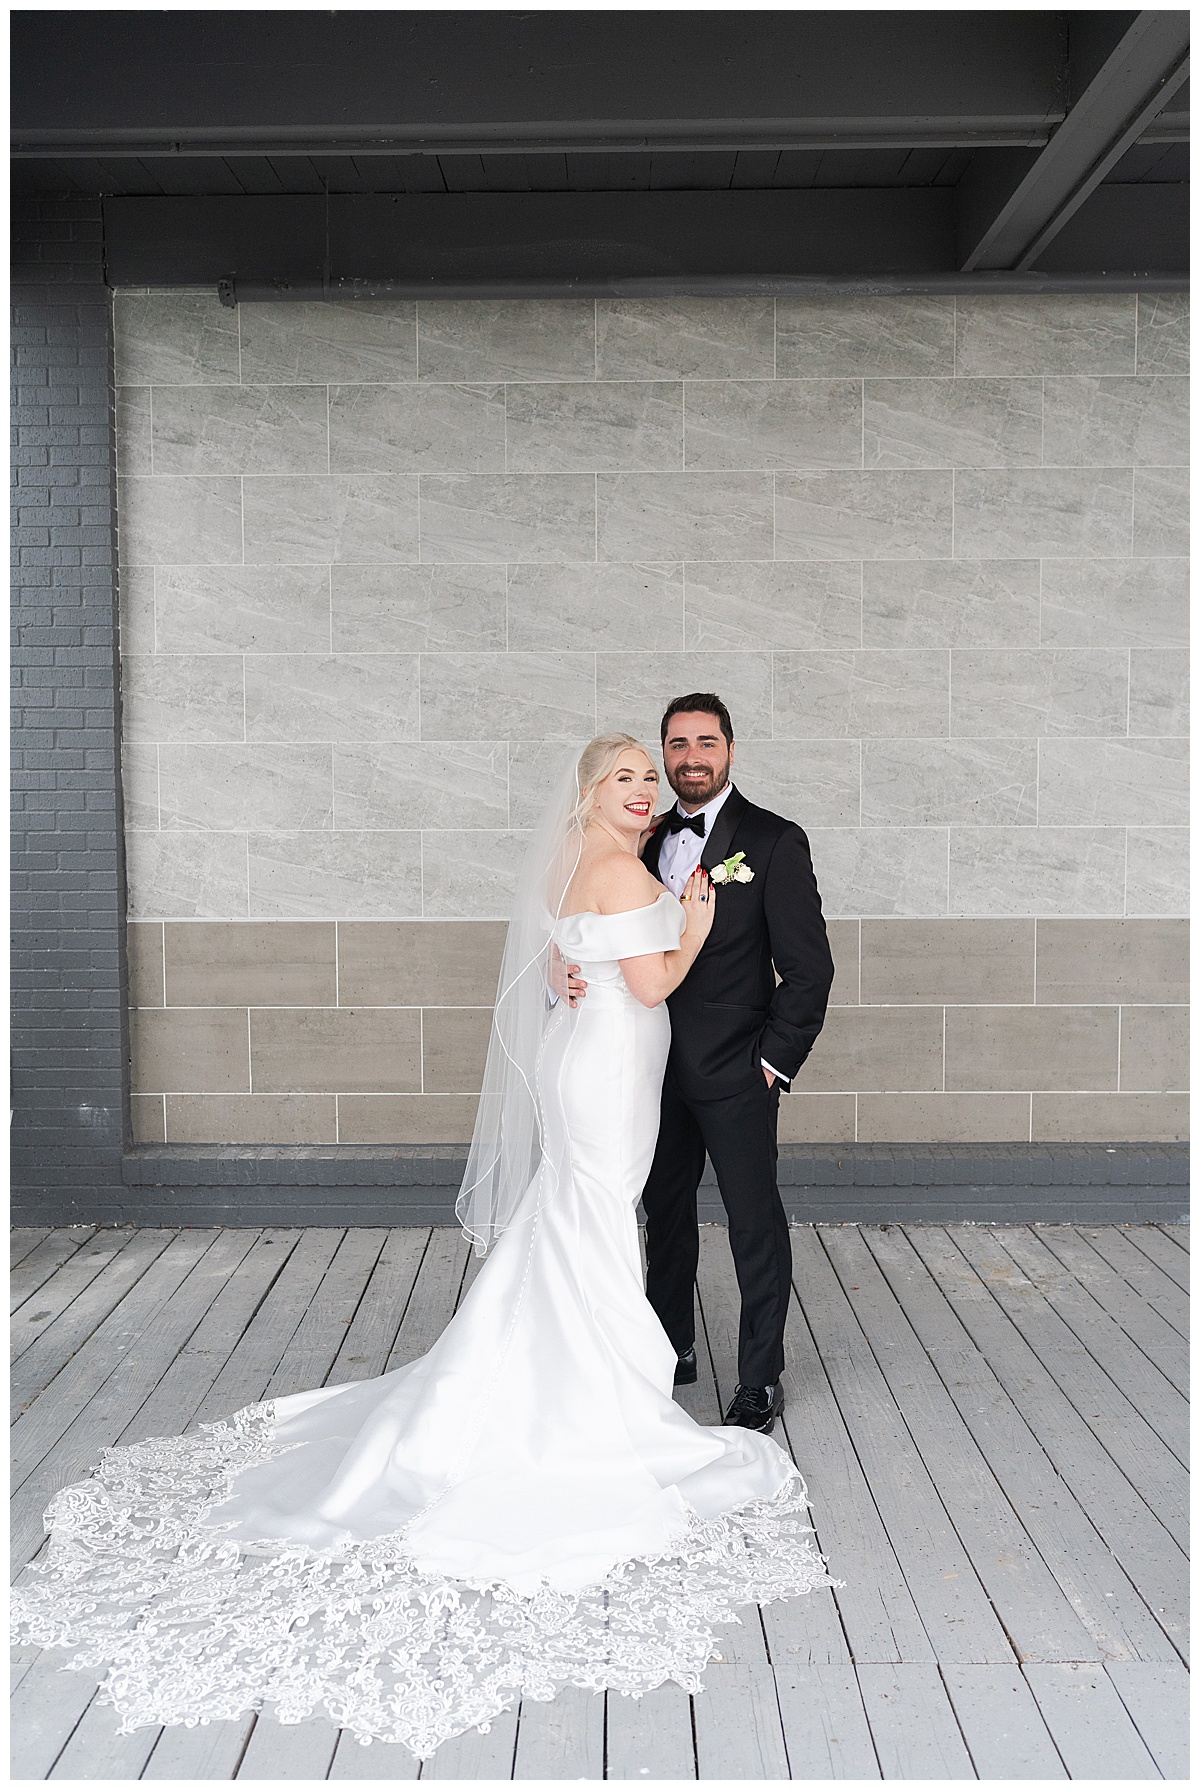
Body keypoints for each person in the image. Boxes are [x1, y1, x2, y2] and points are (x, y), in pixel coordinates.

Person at [11, 734, 834, 1760]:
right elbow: (658, 982)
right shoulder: (625, 861)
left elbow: (559, 959)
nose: (642, 789)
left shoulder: (565, 857)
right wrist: (700, 919)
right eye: (623, 776)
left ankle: (561, 1358)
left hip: (596, 1056)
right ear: (590, 788)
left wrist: (579, 974)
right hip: (618, 1062)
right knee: (590, 1212)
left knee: (575, 1212)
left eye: (646, 777)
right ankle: (591, 1391)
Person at [642, 693, 834, 1432]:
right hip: (651, 1067)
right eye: (678, 743)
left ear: (730, 750)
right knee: (664, 1212)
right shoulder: (647, 835)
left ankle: (759, 1375)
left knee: (754, 1221)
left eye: (705, 742)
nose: (691, 757)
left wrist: (772, 1063)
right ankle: (670, 1346)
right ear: (665, 752)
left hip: (736, 1071)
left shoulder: (775, 841)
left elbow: (808, 970)